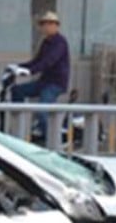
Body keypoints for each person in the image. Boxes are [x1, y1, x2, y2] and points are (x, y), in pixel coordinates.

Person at [11, 10, 71, 139]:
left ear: (56, 26)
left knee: (42, 110)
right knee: (17, 91)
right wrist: (19, 67)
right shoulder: (45, 42)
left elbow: (49, 61)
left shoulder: (60, 42)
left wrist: (31, 71)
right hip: (44, 81)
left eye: (49, 23)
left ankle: (50, 140)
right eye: (43, 24)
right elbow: (37, 61)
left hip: (55, 83)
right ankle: (18, 125)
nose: (45, 26)